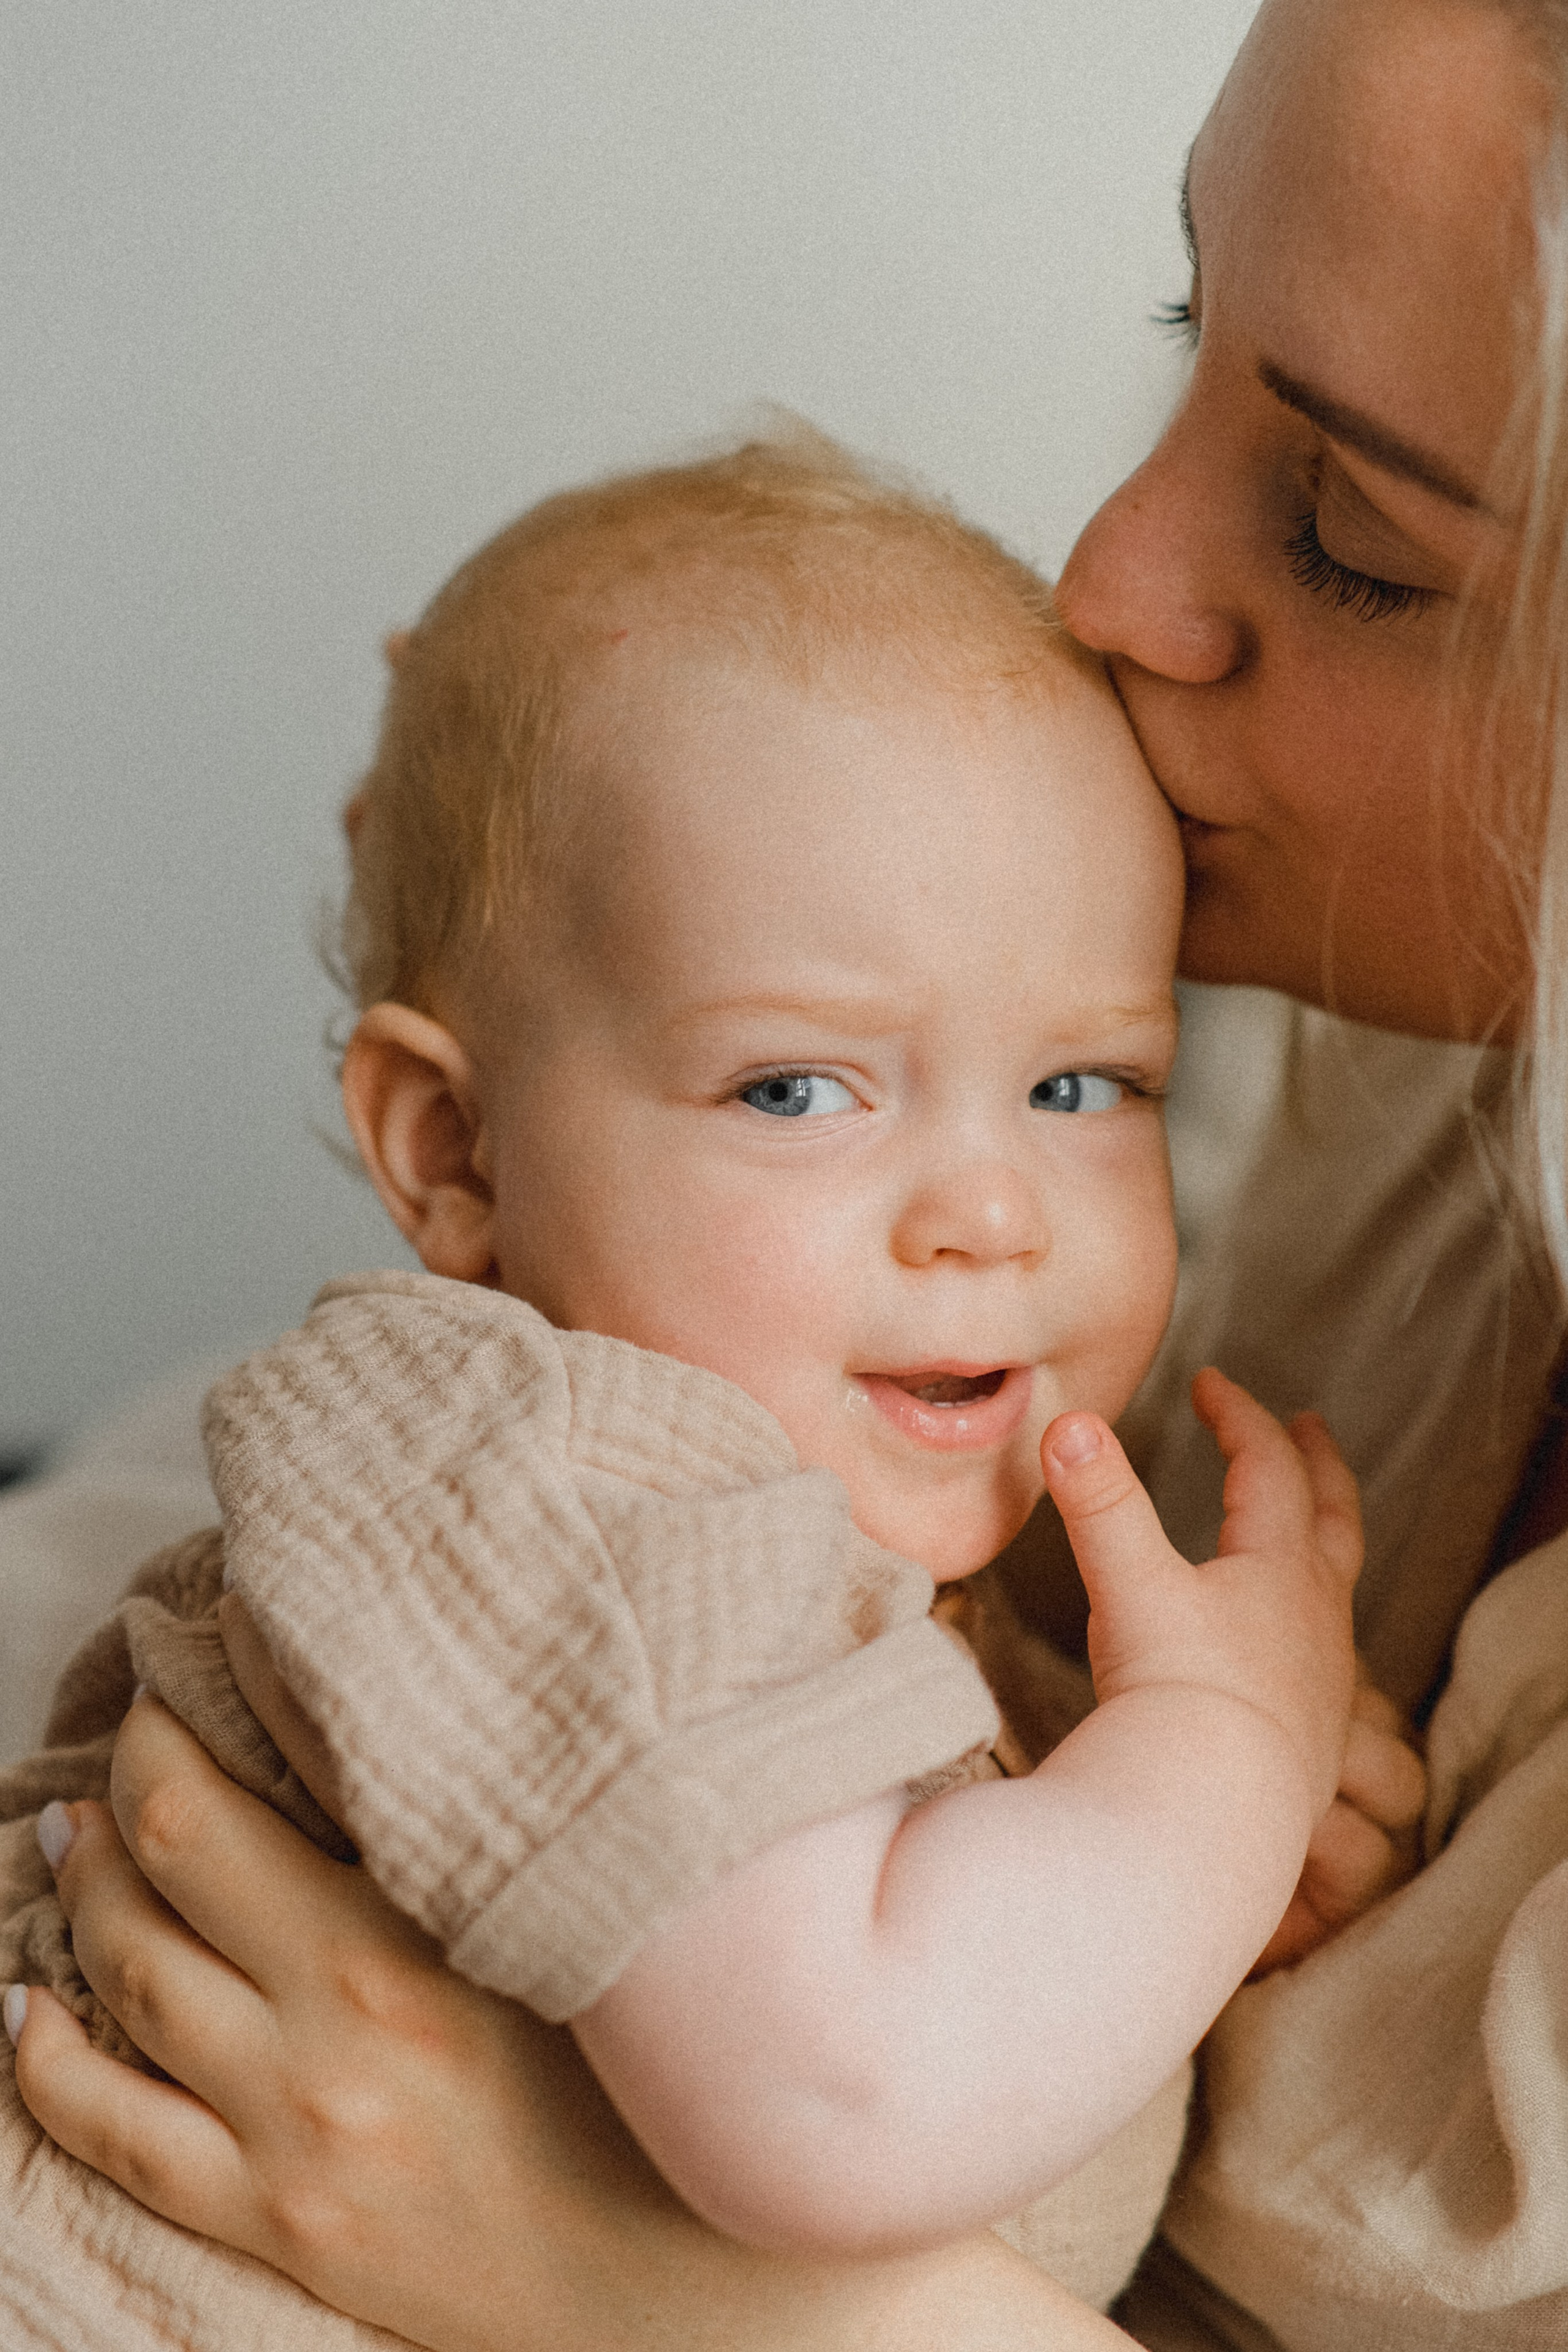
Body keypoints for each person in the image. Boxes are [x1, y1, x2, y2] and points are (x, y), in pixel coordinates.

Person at [9, 0, 1567, 2343]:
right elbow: (844, 2061)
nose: (1109, 574)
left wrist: (1145, 1827)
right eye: (1184, 329)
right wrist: (1209, 1771)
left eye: (1351, 531)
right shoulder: (564, 1490)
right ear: (443, 1148)